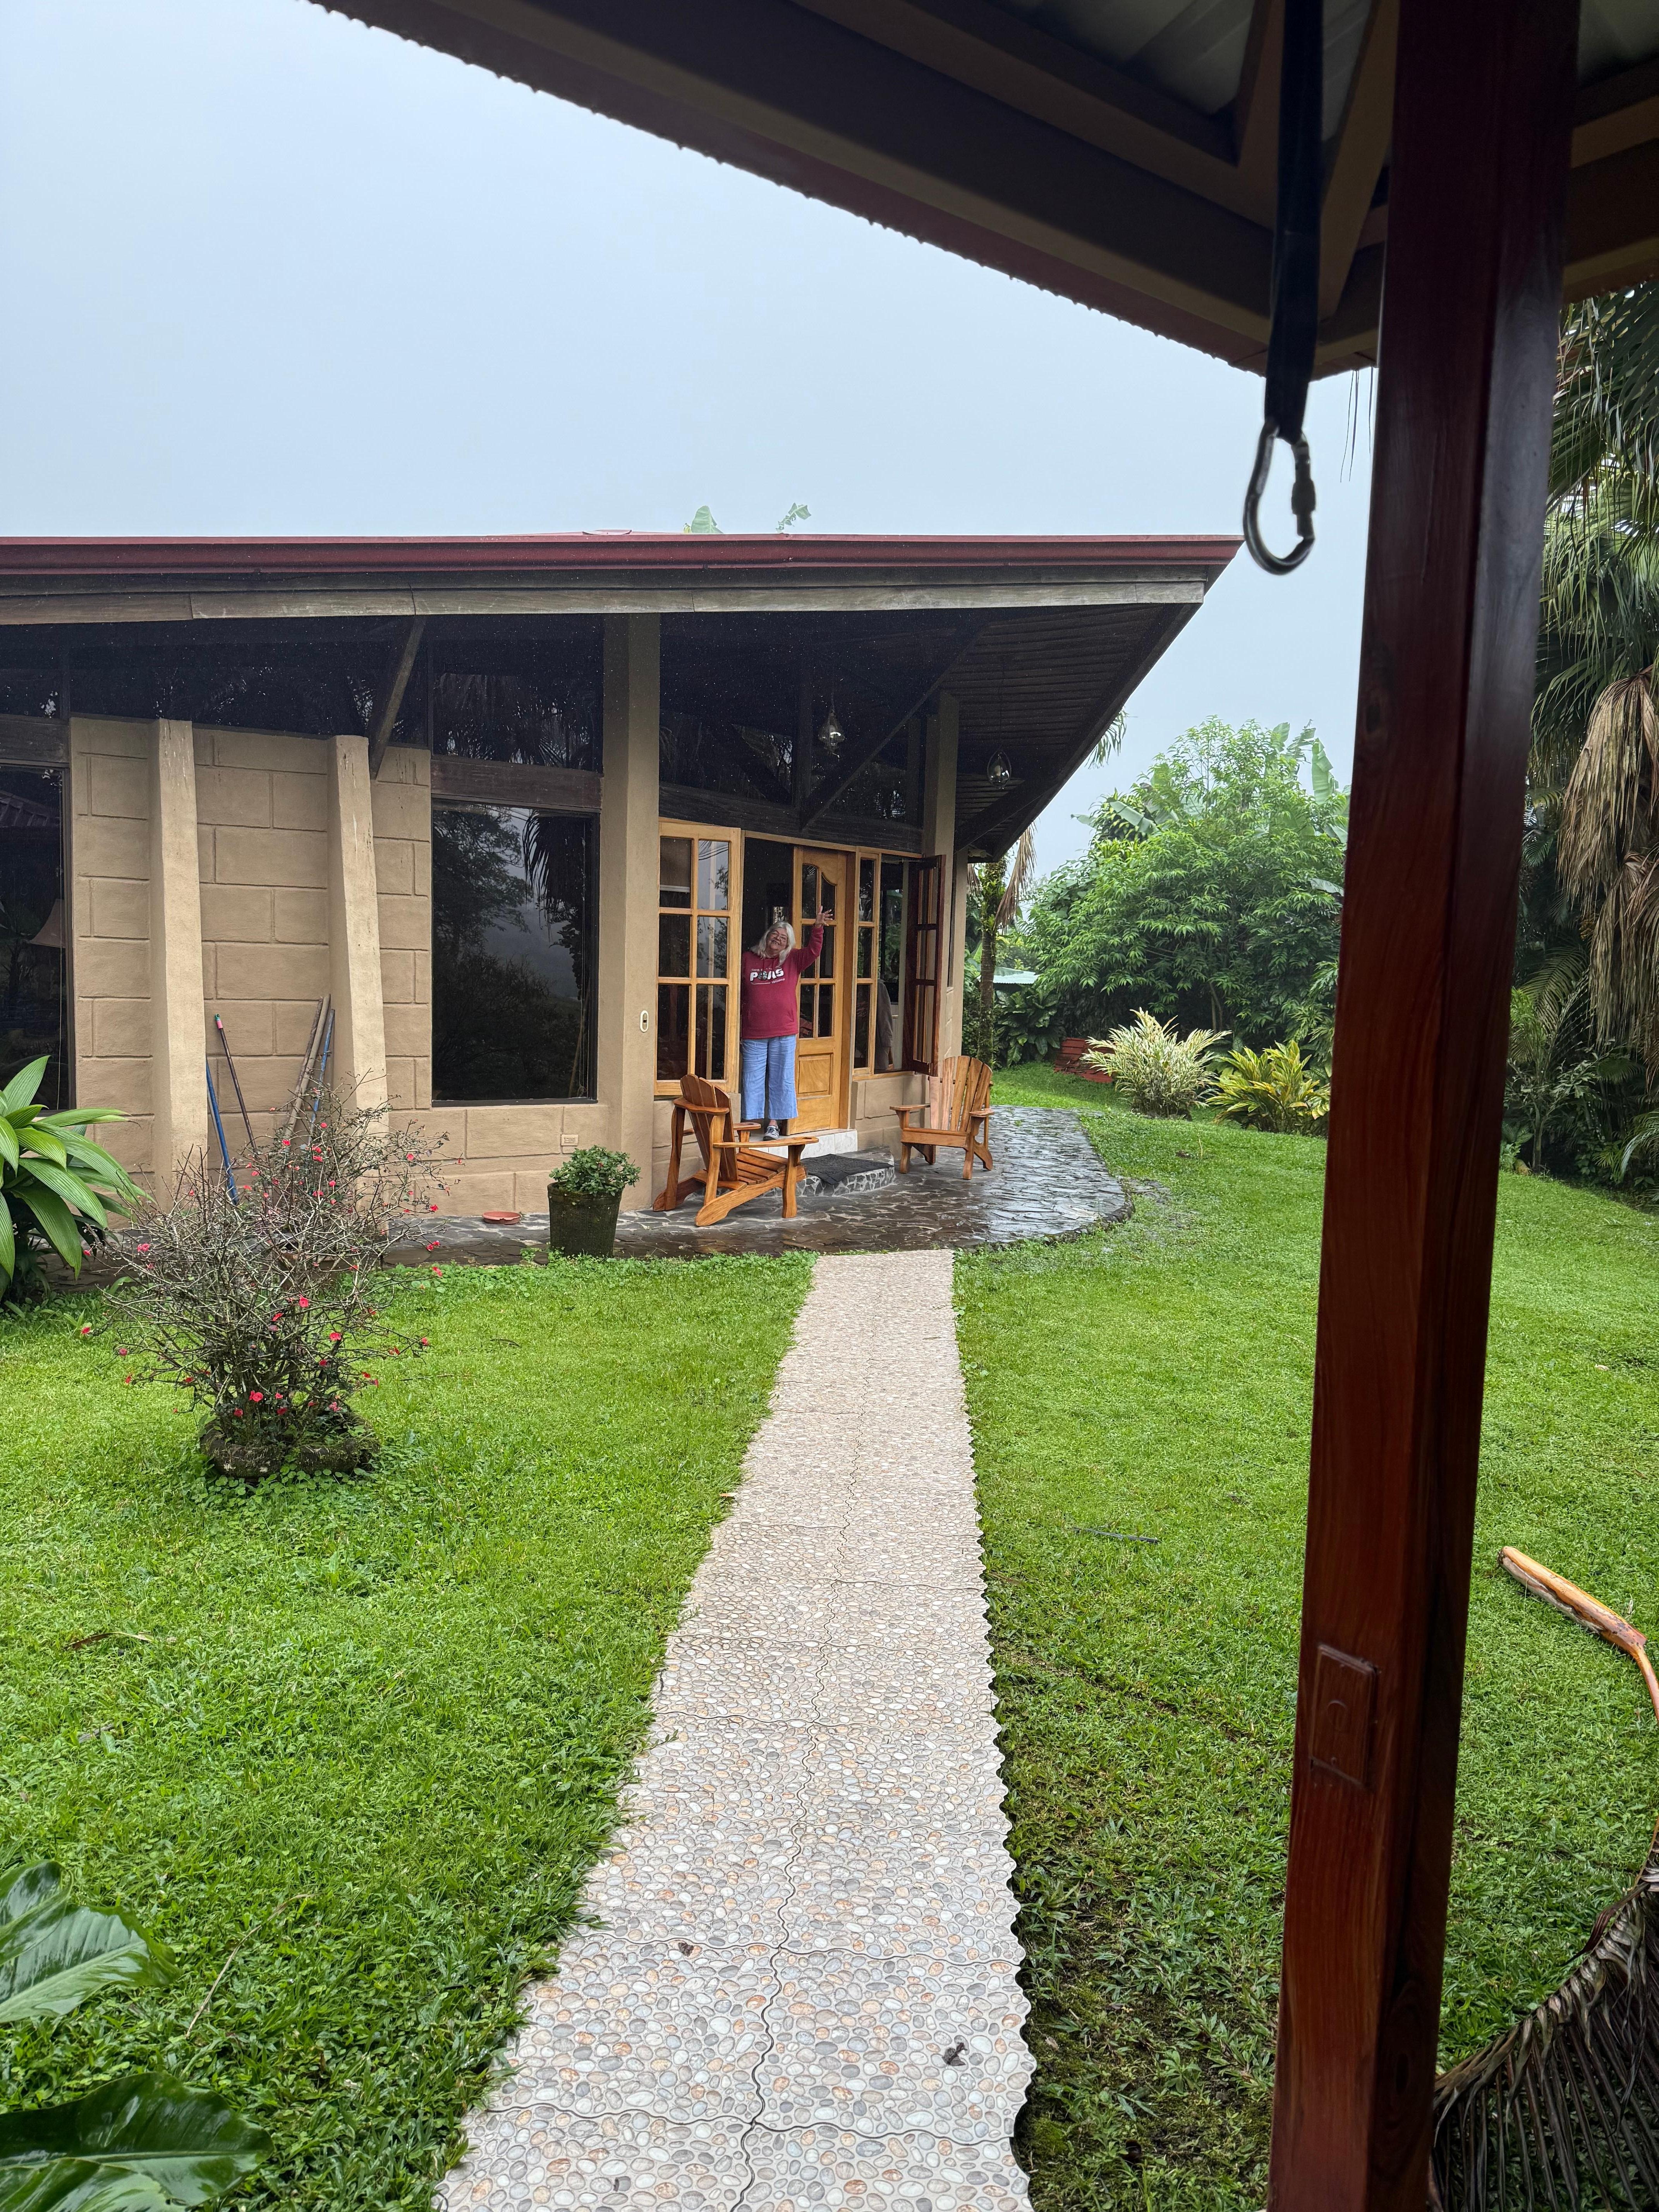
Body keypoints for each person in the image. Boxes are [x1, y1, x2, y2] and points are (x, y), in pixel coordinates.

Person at [740, 906, 831, 1138]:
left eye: (784, 938)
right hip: (753, 1031)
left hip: (784, 1030)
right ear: (767, 936)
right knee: (752, 1078)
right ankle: (751, 1123)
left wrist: (818, 928)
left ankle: (774, 1124)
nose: (778, 940)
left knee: (782, 1078)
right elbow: (737, 992)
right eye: (776, 935)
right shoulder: (748, 959)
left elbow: (813, 951)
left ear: (788, 944)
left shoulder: (792, 960)